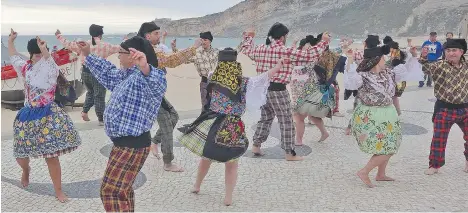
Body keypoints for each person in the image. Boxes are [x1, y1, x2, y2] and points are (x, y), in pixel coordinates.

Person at [178, 48, 286, 206]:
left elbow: (212, 73)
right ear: (236, 62)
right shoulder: (242, 81)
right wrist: (277, 67)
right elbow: (262, 79)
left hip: (213, 122)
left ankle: (197, 186)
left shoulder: (212, 77)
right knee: (232, 162)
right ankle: (228, 198)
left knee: (206, 157)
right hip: (232, 125)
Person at [77, 36, 167, 212]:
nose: (118, 56)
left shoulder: (146, 77)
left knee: (110, 191)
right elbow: (107, 73)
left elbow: (158, 83)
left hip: (132, 145)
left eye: (121, 53)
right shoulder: (127, 74)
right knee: (123, 191)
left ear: (133, 55)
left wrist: (145, 67)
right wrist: (87, 54)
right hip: (124, 144)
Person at [8, 29, 81, 202]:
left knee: (51, 156)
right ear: (32, 54)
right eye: (37, 54)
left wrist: (45, 51)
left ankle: (58, 190)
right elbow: (13, 57)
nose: (40, 57)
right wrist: (11, 41)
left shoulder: (50, 66)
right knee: (20, 154)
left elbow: (49, 63)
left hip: (47, 114)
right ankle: (26, 170)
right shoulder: (25, 67)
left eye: (42, 53)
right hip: (27, 115)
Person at [239, 22, 330, 161]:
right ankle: (289, 153)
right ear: (282, 37)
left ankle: (256, 145)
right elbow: (310, 55)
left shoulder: (260, 48)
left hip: (264, 90)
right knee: (286, 121)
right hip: (279, 91)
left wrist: (249, 37)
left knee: (265, 118)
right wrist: (323, 41)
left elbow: (245, 49)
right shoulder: (285, 51)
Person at [347, 42, 419, 188]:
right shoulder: (363, 76)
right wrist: (349, 61)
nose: (385, 59)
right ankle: (364, 171)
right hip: (372, 113)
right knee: (388, 146)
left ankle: (381, 174)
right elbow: (351, 84)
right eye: (382, 57)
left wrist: (413, 56)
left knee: (389, 143)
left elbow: (408, 71)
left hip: (388, 111)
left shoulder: (388, 73)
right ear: (376, 59)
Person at [138, 21, 201, 172]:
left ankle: (154, 142)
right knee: (167, 123)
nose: (159, 36)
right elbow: (171, 60)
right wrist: (194, 47)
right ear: (148, 36)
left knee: (174, 116)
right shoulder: (147, 50)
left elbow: (168, 57)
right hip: (149, 94)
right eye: (156, 33)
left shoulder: (147, 47)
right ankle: (168, 162)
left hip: (156, 93)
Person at [419, 38, 468, 175]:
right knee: (439, 138)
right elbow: (427, 67)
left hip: (465, 107)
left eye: (454, 50)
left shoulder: (467, 66)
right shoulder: (440, 65)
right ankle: (435, 165)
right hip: (444, 108)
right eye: (448, 50)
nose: (451, 53)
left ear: (461, 52)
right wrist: (423, 56)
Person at [55, 24, 121, 125]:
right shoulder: (105, 46)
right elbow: (119, 48)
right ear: (101, 34)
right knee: (99, 96)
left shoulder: (83, 44)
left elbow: (68, 44)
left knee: (90, 92)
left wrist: (59, 36)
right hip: (99, 73)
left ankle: (84, 112)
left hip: (85, 72)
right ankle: (101, 119)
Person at [291, 35, 346, 144]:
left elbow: (326, 51)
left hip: (308, 91)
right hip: (300, 91)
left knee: (299, 116)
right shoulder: (298, 56)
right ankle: (324, 133)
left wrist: (339, 45)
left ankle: (299, 140)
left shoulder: (312, 58)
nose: (308, 48)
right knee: (311, 114)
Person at [344, 35, 380, 135]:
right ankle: (371, 127)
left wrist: (349, 55)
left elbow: (350, 68)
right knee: (373, 107)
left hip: (364, 86)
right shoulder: (380, 56)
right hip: (377, 86)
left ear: (365, 43)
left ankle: (350, 127)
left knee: (358, 107)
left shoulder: (361, 54)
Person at [182, 31, 220, 108]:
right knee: (205, 106)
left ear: (210, 41)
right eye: (201, 40)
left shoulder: (216, 52)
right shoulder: (196, 53)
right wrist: (174, 47)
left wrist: (245, 41)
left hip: (217, 82)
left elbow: (231, 54)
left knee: (217, 106)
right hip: (205, 83)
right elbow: (183, 59)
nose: (203, 42)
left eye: (205, 40)